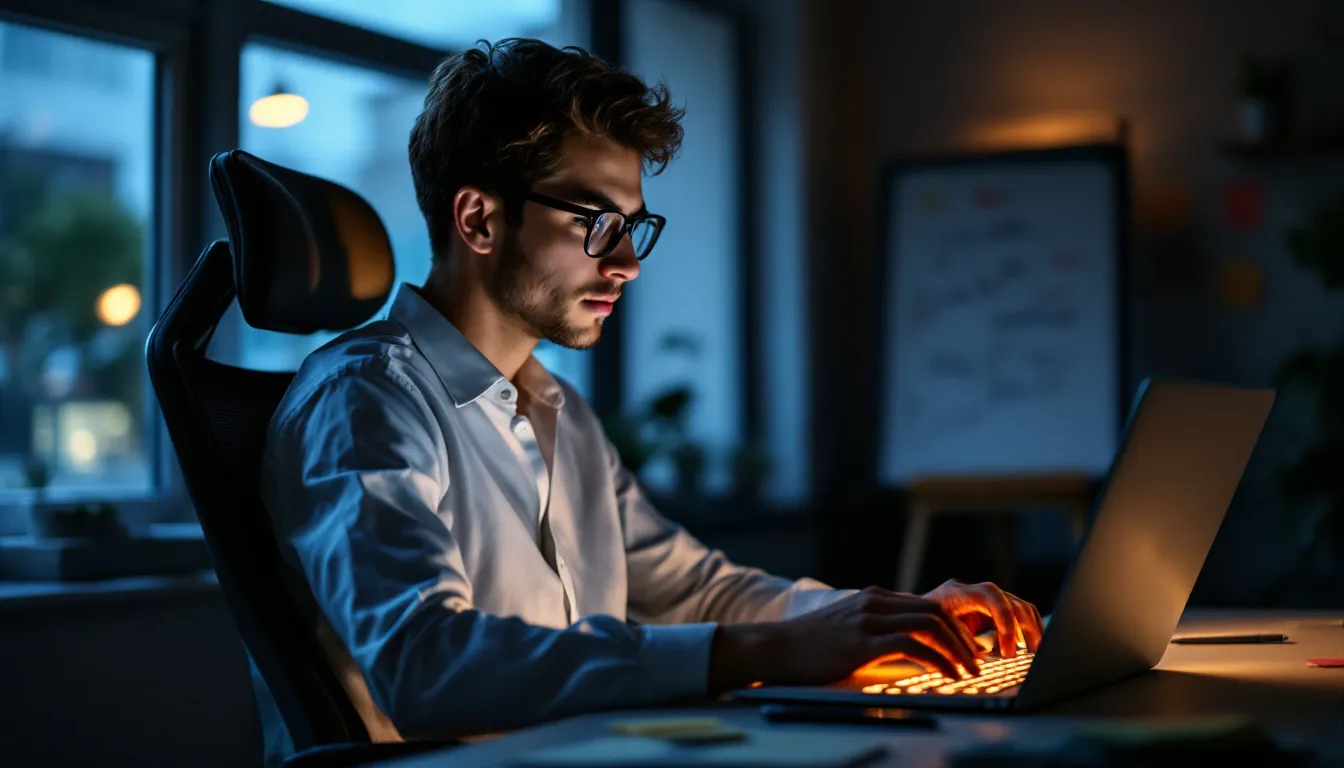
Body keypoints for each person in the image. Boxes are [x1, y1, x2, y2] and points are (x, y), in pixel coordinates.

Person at [257, 37, 1043, 764]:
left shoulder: (557, 411)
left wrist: (889, 618)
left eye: (634, 226)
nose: (628, 263)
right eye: (597, 221)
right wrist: (770, 651)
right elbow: (426, 667)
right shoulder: (364, 399)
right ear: (480, 218)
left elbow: (699, 591)